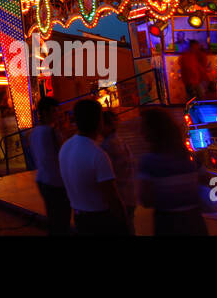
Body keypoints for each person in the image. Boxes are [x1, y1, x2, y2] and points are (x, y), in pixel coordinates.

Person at [58, 99, 128, 235]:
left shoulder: (65, 147)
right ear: (99, 121)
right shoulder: (97, 154)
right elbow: (112, 197)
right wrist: (124, 223)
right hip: (100, 219)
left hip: (79, 215)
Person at [137, 106, 208, 236]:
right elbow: (205, 179)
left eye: (143, 127)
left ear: (152, 131)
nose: (141, 132)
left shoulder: (150, 162)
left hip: (168, 222)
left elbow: (146, 199)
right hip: (195, 220)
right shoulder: (187, 156)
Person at [27, 97, 70, 234]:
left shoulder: (33, 133)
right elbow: (63, 155)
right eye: (54, 111)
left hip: (42, 179)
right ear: (45, 113)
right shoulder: (52, 132)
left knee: (53, 219)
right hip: (56, 181)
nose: (57, 114)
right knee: (62, 220)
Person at [100, 108, 136, 233]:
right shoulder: (120, 142)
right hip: (129, 194)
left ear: (108, 125)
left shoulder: (107, 146)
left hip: (120, 196)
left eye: (102, 125)